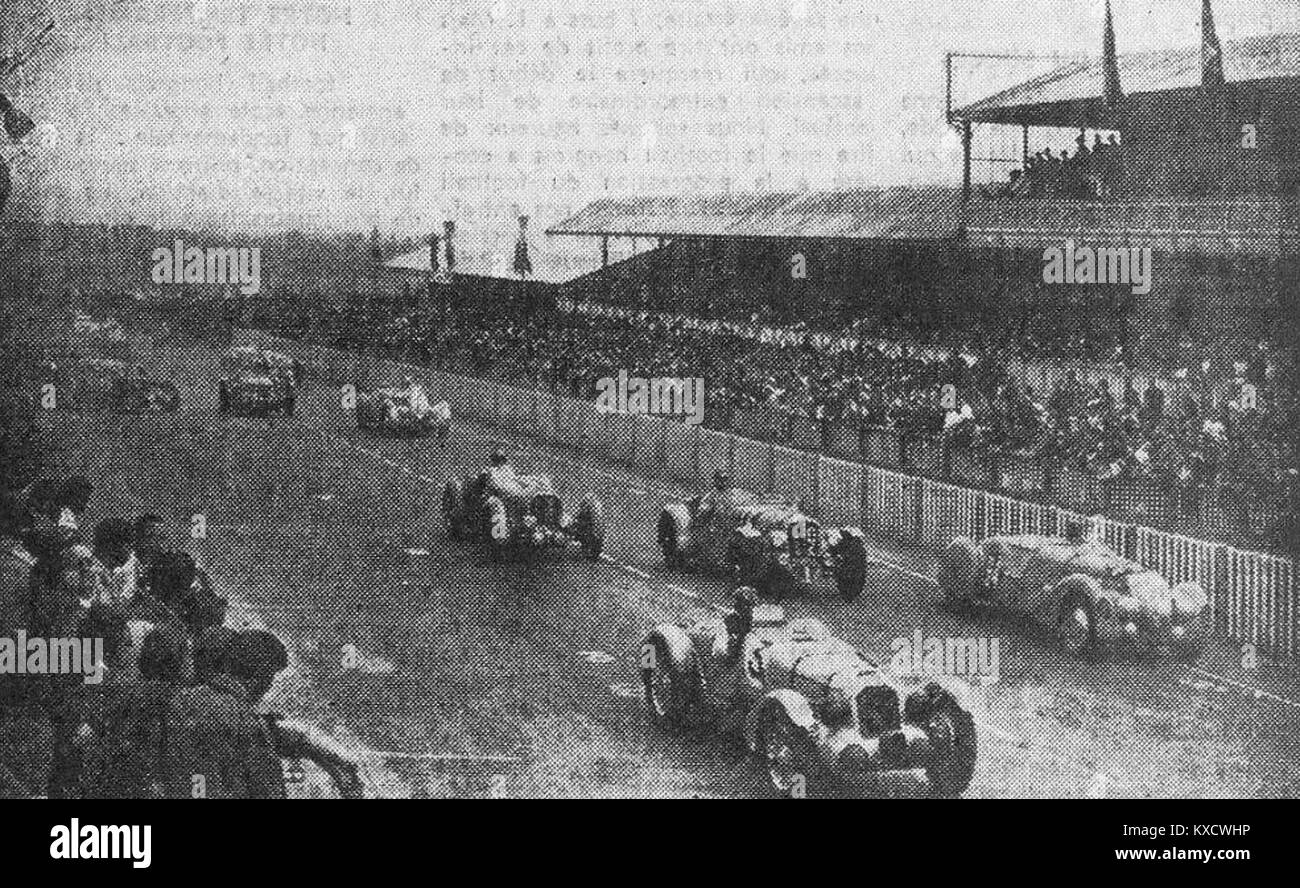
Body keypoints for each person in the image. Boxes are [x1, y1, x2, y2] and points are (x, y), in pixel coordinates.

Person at [163, 629, 289, 799]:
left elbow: (195, 777)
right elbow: (267, 791)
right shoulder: (247, 720)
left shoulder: (183, 700)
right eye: (270, 676)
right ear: (263, 677)